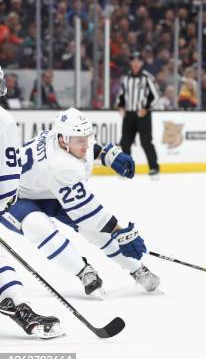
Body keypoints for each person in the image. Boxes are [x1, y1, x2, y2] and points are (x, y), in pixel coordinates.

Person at [0, 107, 161, 300]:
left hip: (46, 189)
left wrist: (106, 155)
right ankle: (83, 271)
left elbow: (85, 143)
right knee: (37, 226)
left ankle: (137, 269)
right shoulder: (61, 166)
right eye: (80, 142)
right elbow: (90, 214)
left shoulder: (61, 136)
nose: (85, 145)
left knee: (94, 229)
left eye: (86, 138)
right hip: (12, 196)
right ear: (62, 140)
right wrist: (119, 231)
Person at [0, 66, 64, 339]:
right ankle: (16, 302)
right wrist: (5, 200)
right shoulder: (3, 120)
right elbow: (7, 174)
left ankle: (14, 301)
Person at [116, 50, 160, 178]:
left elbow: (156, 96)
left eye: (138, 61)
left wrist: (146, 109)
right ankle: (126, 168)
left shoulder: (147, 77)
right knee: (125, 142)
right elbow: (121, 95)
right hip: (129, 114)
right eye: (133, 61)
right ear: (130, 63)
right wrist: (121, 107)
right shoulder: (126, 78)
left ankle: (154, 168)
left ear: (141, 63)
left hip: (143, 115)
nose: (135, 63)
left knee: (146, 142)